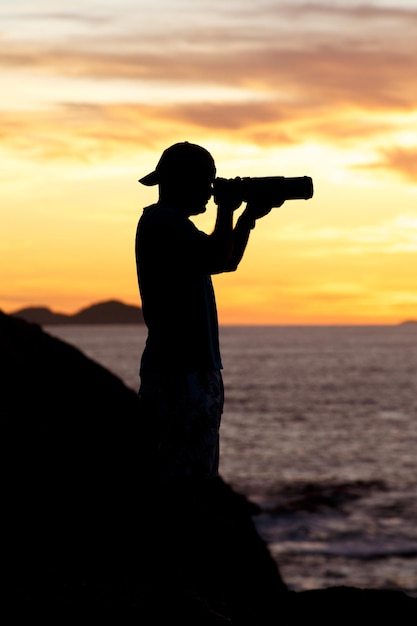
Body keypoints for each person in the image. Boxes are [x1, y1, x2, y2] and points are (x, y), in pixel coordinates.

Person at [135, 141, 284, 484]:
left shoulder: (173, 226)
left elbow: (224, 261)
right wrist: (228, 210)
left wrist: (245, 219)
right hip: (180, 369)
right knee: (183, 476)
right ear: (181, 182)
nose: (210, 191)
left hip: (191, 368)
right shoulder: (163, 222)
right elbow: (217, 257)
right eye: (206, 182)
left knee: (196, 469)